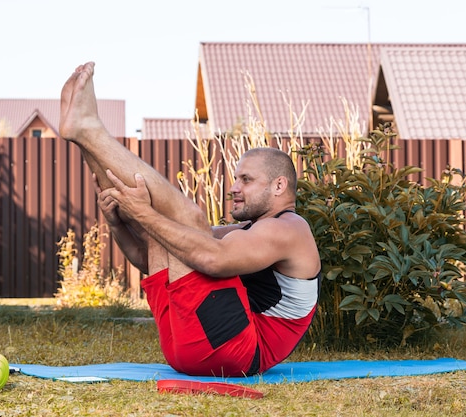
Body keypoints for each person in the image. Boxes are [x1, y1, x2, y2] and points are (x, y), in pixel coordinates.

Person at [59, 62, 321, 377]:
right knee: (168, 234)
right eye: (235, 179)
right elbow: (156, 258)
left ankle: (89, 130)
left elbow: (212, 259)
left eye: (246, 180)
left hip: (236, 351)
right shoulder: (252, 231)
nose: (234, 188)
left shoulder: (290, 229)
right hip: (190, 345)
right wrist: (118, 223)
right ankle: (84, 138)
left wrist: (145, 213)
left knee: (187, 224)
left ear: (279, 186)